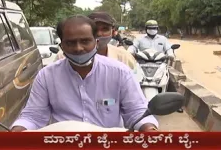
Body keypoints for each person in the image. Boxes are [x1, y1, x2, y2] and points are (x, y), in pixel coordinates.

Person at [11, 15, 159, 132]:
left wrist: (149, 129)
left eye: (85, 41)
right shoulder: (47, 76)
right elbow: (33, 116)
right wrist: (19, 130)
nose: (78, 48)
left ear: (96, 42)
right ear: (61, 45)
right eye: (70, 43)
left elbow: (137, 111)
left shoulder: (120, 72)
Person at [127, 19, 183, 113]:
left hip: (159, 64)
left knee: (169, 79)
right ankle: (127, 102)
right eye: (150, 28)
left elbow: (169, 48)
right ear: (146, 29)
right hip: (142, 63)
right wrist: (129, 51)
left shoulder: (163, 39)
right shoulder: (139, 39)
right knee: (130, 79)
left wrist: (171, 54)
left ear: (157, 28)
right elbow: (133, 47)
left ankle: (176, 105)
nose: (152, 29)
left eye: (154, 28)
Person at [55, 12, 137, 71]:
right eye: (95, 29)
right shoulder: (62, 57)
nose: (99, 33)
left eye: (105, 29)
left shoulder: (124, 57)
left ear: (112, 32)